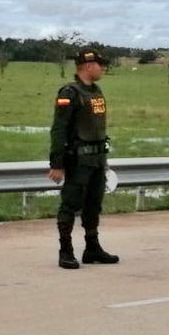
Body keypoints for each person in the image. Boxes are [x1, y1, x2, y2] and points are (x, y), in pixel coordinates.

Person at [47, 49, 119, 269]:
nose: (103, 68)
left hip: (97, 159)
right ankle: (65, 250)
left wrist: (104, 161)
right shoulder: (70, 93)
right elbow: (59, 130)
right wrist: (57, 164)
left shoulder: (96, 91)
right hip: (78, 161)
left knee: (93, 205)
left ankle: (92, 247)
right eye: (100, 64)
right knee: (70, 204)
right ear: (88, 66)